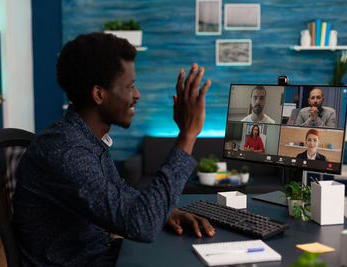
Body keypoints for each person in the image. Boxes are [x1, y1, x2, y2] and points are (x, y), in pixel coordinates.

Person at [12, 33, 215, 266]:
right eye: (130, 86)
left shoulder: (85, 139)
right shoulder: (67, 151)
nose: (137, 95)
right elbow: (142, 225)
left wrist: (165, 212)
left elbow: (118, 195)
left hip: (100, 254)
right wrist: (187, 135)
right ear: (99, 94)